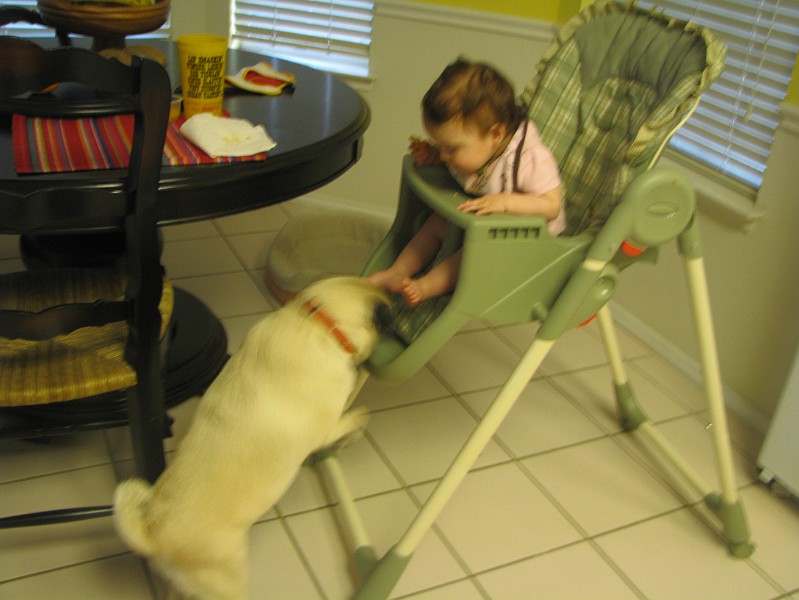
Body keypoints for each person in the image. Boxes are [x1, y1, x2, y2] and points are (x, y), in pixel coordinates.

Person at [368, 58, 565, 307]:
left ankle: (425, 287)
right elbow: (471, 171)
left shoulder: (529, 159)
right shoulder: (479, 148)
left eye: (451, 149)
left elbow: (551, 206)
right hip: (485, 223)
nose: (444, 155)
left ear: (496, 134)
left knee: (473, 253)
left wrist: (505, 202)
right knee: (437, 222)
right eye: (440, 146)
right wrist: (436, 158)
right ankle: (397, 272)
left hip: (526, 242)